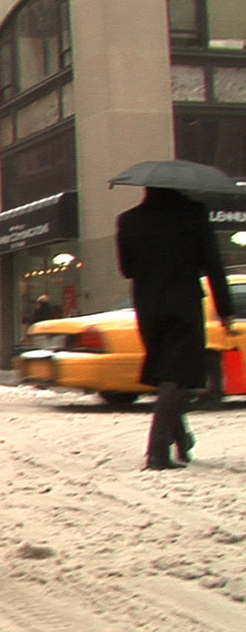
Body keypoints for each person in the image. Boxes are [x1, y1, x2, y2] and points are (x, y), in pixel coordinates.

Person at [117, 186, 234, 471]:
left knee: (167, 373)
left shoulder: (129, 220)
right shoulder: (193, 215)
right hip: (183, 303)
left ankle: (182, 439)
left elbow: (127, 269)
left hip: (148, 306)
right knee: (176, 374)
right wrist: (225, 309)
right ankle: (157, 451)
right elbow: (213, 264)